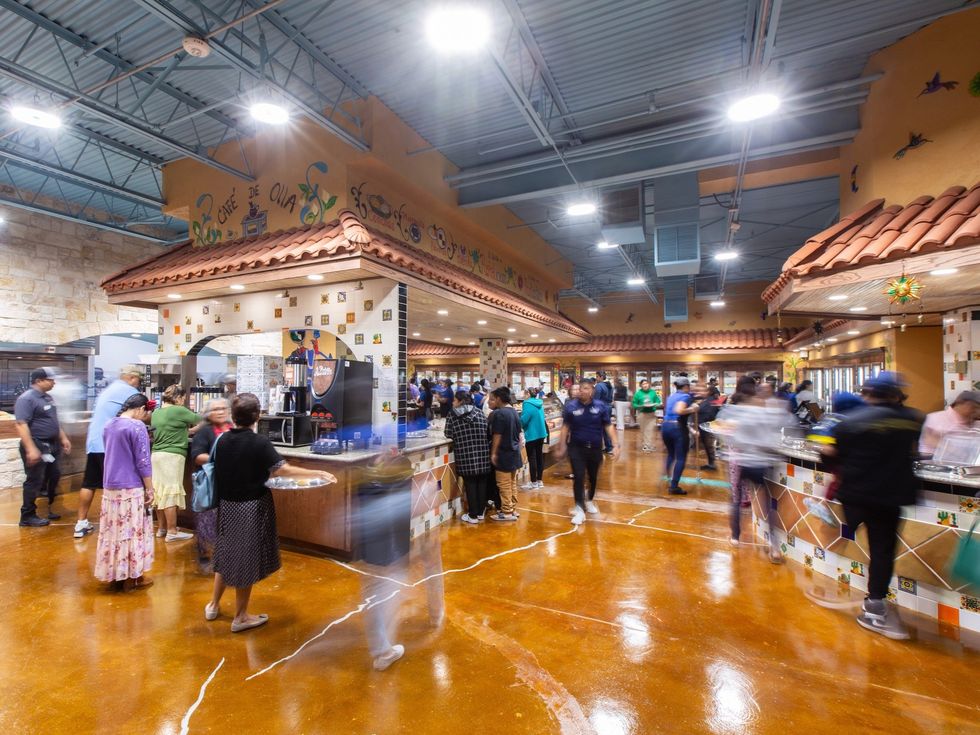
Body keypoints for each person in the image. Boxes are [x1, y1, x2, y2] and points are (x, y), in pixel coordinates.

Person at [207, 393, 336, 632]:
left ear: (233, 416)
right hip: (250, 506)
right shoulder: (259, 443)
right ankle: (240, 616)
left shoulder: (223, 440)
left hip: (227, 505)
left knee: (225, 553)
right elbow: (283, 470)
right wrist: (317, 473)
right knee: (244, 559)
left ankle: (213, 605)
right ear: (257, 416)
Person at [823, 372, 922, 640]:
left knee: (838, 533)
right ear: (894, 395)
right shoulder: (913, 419)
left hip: (855, 493)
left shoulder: (847, 422)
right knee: (882, 551)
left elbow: (829, 456)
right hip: (892, 495)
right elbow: (915, 451)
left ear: (866, 394)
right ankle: (875, 605)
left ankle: (826, 580)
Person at [718, 378, 791, 561]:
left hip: (740, 460)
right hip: (762, 462)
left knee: (735, 498)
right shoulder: (767, 412)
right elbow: (782, 428)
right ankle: (774, 547)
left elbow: (723, 430)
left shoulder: (735, 410)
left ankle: (735, 537)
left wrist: (731, 444)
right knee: (769, 504)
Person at [94, 393, 155, 591]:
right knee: (133, 530)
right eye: (146, 413)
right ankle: (133, 577)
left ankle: (115, 574)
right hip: (131, 486)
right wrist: (150, 487)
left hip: (110, 486)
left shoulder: (109, 424)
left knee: (114, 531)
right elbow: (143, 461)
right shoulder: (137, 427)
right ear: (140, 409)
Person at [77, 366, 143, 538]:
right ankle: (116, 525)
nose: (139, 383)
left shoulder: (109, 389)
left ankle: (81, 523)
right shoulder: (128, 391)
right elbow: (139, 414)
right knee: (116, 484)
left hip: (94, 442)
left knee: (89, 483)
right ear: (131, 378)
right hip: (110, 445)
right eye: (138, 380)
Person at [552, 379, 618, 525]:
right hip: (576, 448)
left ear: (592, 391)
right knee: (579, 477)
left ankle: (589, 500)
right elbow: (565, 428)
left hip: (595, 448)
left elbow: (608, 426)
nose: (583, 391)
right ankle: (579, 509)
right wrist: (561, 446)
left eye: (587, 388)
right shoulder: (571, 407)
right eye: (581, 388)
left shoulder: (600, 407)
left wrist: (615, 445)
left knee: (593, 478)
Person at [14, 367, 71, 527]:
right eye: (50, 380)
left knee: (54, 476)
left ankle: (49, 509)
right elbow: (21, 424)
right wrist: (31, 448)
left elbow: (53, 421)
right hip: (37, 443)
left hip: (52, 445)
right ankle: (27, 515)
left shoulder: (47, 398)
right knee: (35, 480)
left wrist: (63, 437)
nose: (54, 382)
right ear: (39, 381)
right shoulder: (27, 399)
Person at [150, 384, 200, 542]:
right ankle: (172, 531)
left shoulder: (156, 412)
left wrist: (188, 432)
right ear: (177, 398)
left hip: (157, 455)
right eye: (183, 399)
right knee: (171, 491)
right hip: (172, 456)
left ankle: (162, 528)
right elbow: (202, 419)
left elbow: (171, 429)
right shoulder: (178, 410)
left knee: (159, 491)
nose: (183, 401)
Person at [190, 398, 233, 571]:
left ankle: (226, 556)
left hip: (230, 482)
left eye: (224, 408)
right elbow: (197, 456)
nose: (221, 412)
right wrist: (221, 459)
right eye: (216, 409)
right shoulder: (204, 432)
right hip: (211, 482)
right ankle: (206, 555)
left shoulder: (234, 430)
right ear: (208, 414)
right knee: (208, 519)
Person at [443, 390, 491, 524]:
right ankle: (480, 512)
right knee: (481, 482)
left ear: (459, 401)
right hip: (482, 453)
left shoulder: (452, 414)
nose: (453, 403)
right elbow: (487, 431)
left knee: (470, 483)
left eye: (454, 400)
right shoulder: (479, 412)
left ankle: (473, 515)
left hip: (465, 454)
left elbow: (448, 433)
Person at [487, 387, 523, 522]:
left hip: (503, 453)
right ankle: (513, 509)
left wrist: (494, 453)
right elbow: (519, 432)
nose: (492, 401)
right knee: (512, 482)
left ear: (499, 399)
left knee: (503, 484)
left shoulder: (500, 414)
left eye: (493, 398)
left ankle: (506, 512)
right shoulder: (514, 411)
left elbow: (497, 435)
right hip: (514, 452)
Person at [661, 376, 699, 495]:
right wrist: (693, 409)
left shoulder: (671, 396)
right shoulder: (685, 396)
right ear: (686, 386)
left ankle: (668, 479)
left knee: (671, 455)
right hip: (677, 429)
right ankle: (674, 486)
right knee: (681, 457)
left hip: (665, 426)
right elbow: (679, 411)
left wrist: (691, 430)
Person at [919, 390, 980, 456]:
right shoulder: (937, 418)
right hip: (937, 462)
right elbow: (929, 441)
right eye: (974, 407)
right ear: (959, 403)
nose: (977, 411)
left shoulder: (976, 424)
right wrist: (954, 450)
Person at [520, 387, 548, 490]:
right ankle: (540, 481)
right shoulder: (539, 402)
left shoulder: (527, 403)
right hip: (541, 433)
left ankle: (533, 482)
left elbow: (524, 419)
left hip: (532, 434)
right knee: (539, 457)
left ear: (527, 394)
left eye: (524, 393)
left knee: (532, 458)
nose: (523, 396)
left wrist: (518, 421)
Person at [632, 379, 662, 452]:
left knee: (651, 430)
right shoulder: (638, 394)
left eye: (646, 383)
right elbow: (634, 404)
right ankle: (646, 445)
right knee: (644, 430)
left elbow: (657, 401)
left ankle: (649, 445)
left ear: (649, 384)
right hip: (642, 414)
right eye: (643, 384)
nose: (645, 385)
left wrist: (657, 404)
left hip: (652, 414)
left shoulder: (653, 392)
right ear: (641, 386)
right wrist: (641, 406)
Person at [698, 385, 723, 470]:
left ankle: (712, 464)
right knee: (708, 446)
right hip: (706, 426)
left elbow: (708, 414)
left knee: (709, 446)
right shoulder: (711, 401)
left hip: (707, 427)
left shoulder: (711, 401)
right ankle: (711, 463)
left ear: (709, 392)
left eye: (706, 391)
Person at [593, 371, 614, 454]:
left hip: (601, 408)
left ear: (601, 377)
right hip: (608, 407)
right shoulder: (609, 385)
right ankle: (609, 447)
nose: (596, 379)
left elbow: (596, 399)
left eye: (597, 377)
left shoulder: (599, 386)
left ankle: (599, 447)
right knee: (606, 427)